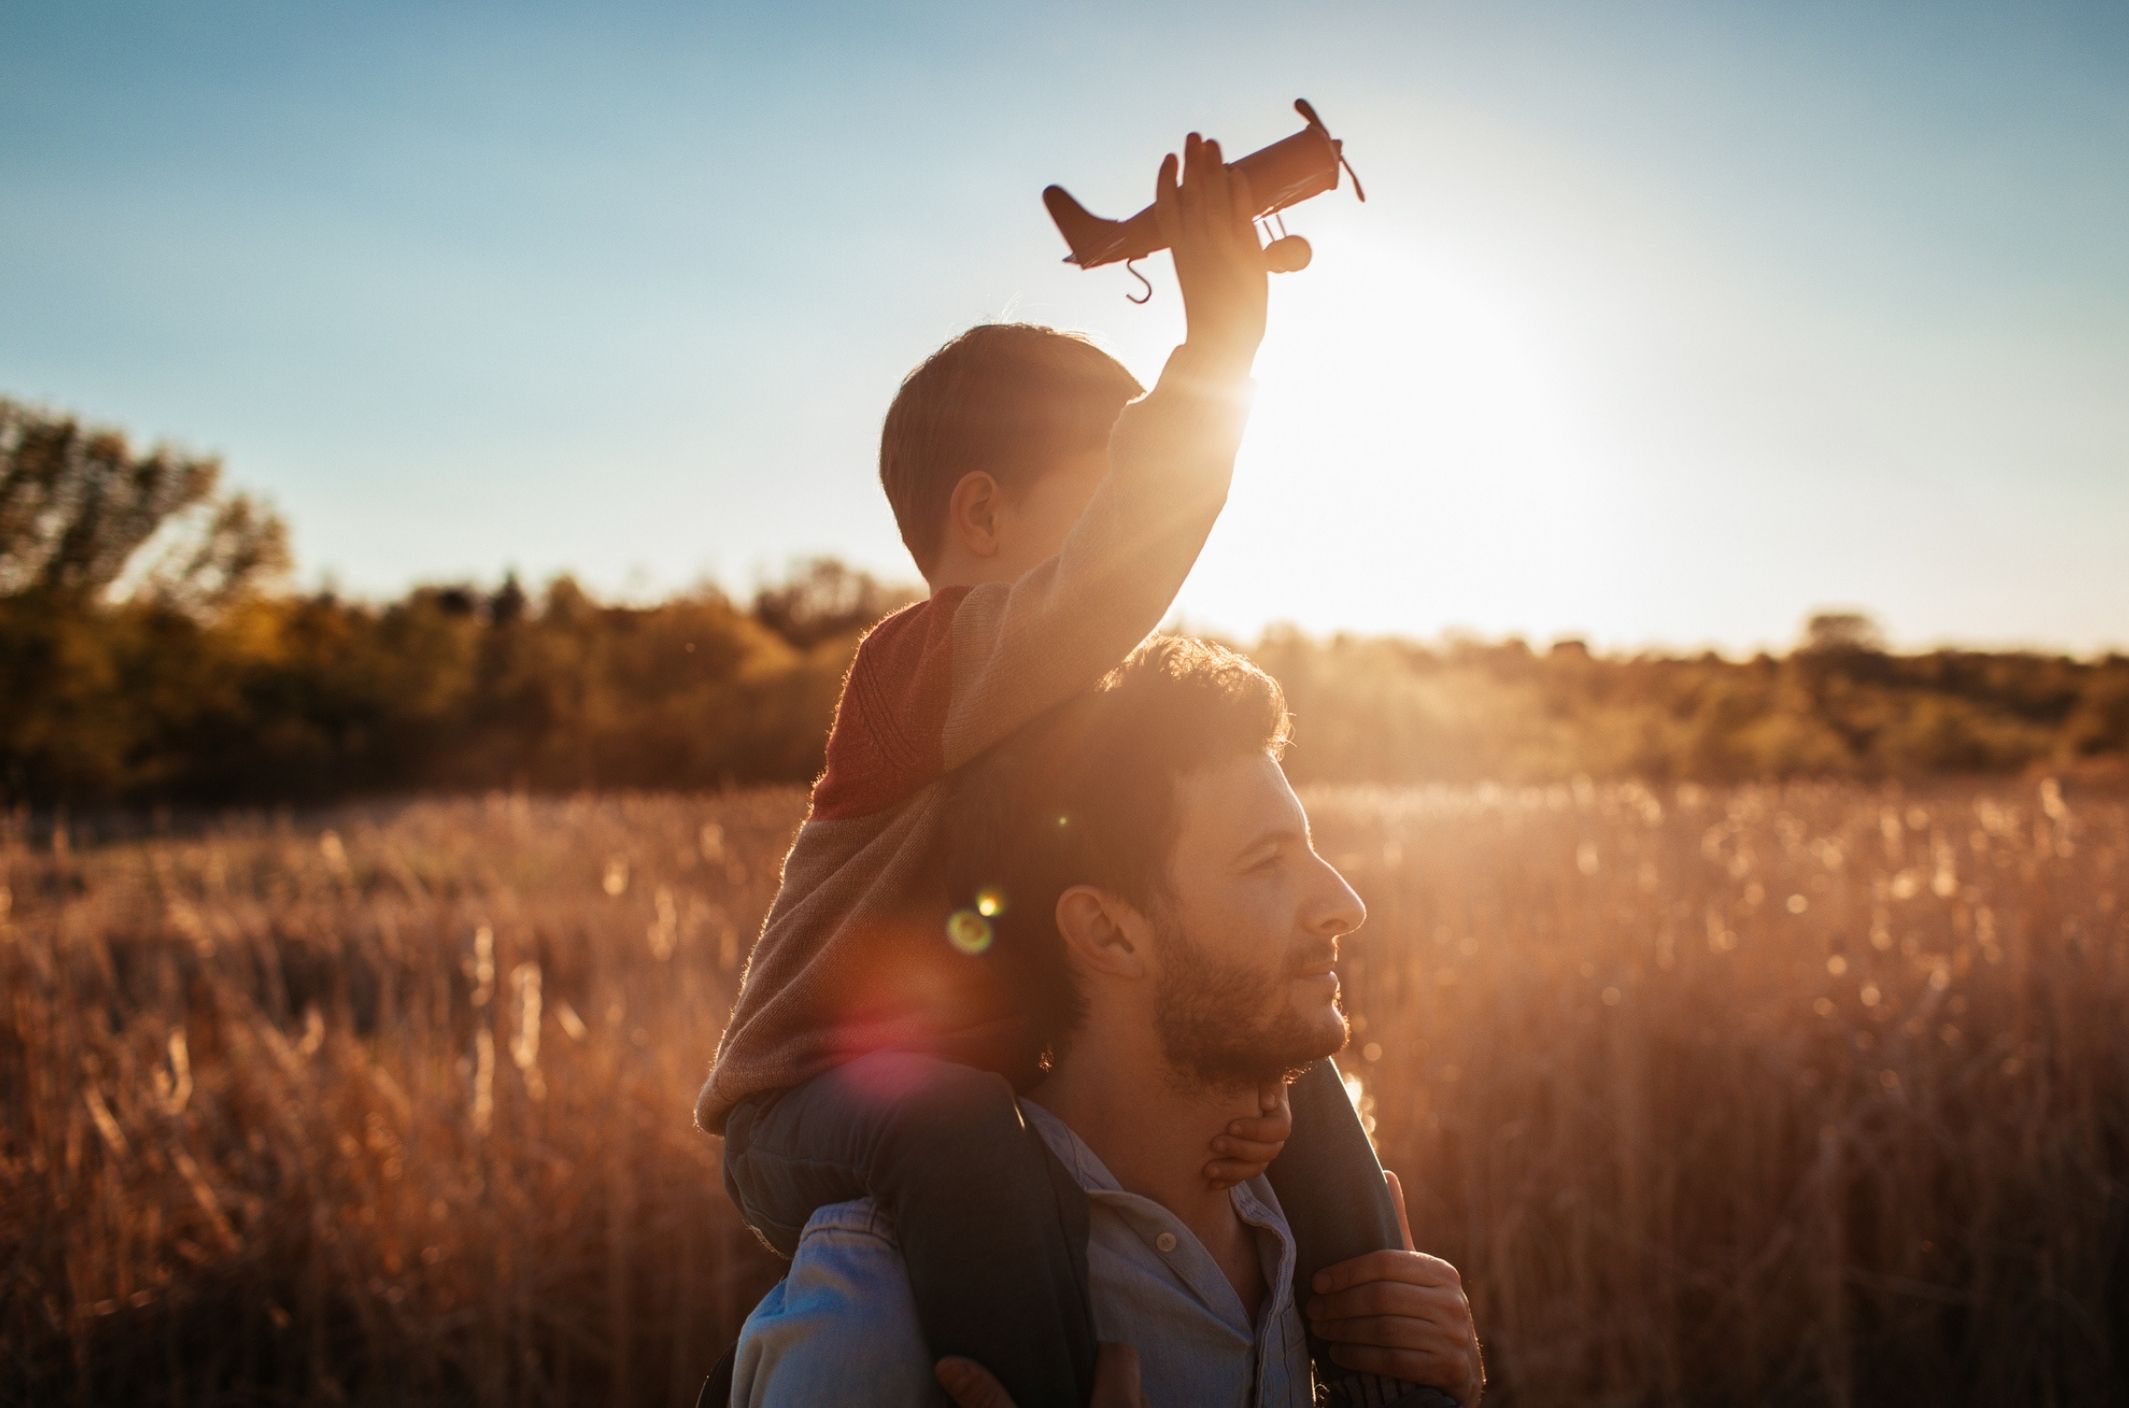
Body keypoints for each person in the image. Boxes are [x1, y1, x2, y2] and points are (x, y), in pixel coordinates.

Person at [699, 132, 1443, 1405]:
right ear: (978, 518)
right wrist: (1213, 363)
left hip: (965, 1086)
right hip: (812, 1107)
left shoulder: (1079, 727)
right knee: (953, 1131)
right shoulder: (912, 673)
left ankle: (1397, 1369)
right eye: (1104, 494)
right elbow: (1098, 589)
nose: (1134, 559)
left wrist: (1241, 1095)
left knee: (1290, 1052)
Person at [730, 638, 1484, 1406]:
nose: (1344, 906)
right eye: (1265, 863)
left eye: (1311, 851)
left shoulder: (1320, 1229)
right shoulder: (883, 1307)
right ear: (1109, 933)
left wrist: (1444, 1395)